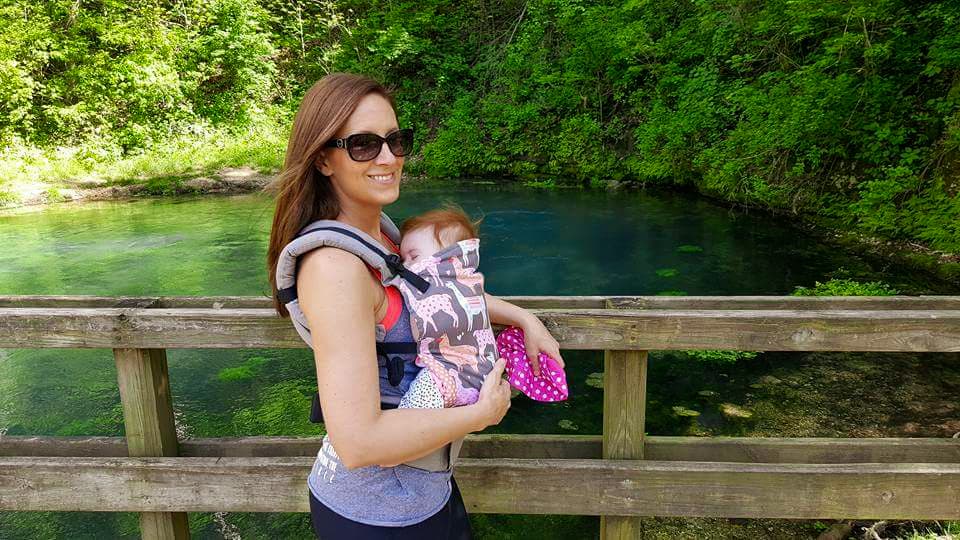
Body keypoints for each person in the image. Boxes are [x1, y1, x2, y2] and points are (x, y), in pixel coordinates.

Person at [265, 72, 564, 539]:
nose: (388, 158)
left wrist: (525, 319)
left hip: (425, 493)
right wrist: (480, 414)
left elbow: (439, 296)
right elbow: (359, 444)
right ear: (324, 159)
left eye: (396, 140)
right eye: (363, 145)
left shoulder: (383, 235)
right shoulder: (334, 268)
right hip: (374, 515)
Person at [395, 206, 570, 410]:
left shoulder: (440, 283)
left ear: (447, 257)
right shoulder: (463, 285)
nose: (405, 267)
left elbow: (421, 329)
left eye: (413, 257)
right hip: (480, 380)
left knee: (411, 415)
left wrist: (528, 319)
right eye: (403, 259)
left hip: (443, 377)